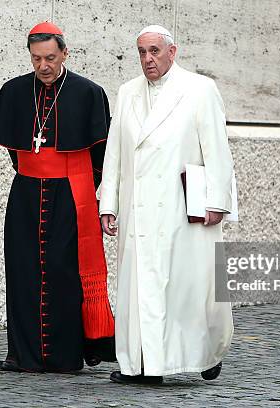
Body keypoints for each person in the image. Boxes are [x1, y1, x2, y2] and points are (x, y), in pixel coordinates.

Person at [99, 25, 235, 384]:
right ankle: (142, 365)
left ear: (173, 52)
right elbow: (115, 152)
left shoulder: (200, 89)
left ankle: (204, 353)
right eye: (142, 52)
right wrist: (108, 202)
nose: (148, 59)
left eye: (155, 51)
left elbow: (217, 148)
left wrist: (218, 201)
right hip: (138, 210)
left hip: (182, 208)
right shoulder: (127, 92)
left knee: (191, 288)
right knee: (139, 288)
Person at [0, 21, 115, 373]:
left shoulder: (88, 92)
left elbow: (101, 154)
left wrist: (75, 181)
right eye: (37, 58)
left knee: (64, 271)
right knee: (23, 270)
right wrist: (36, 172)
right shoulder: (14, 91)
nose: (43, 66)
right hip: (26, 195)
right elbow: (15, 150)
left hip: (71, 196)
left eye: (51, 58)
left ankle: (66, 356)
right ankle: (23, 356)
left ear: (64, 54)